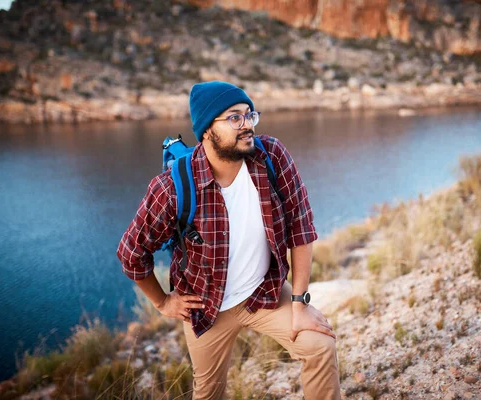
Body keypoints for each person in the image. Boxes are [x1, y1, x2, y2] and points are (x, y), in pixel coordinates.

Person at [117, 81, 340, 399]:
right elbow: (131, 253)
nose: (246, 125)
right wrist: (163, 301)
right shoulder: (171, 187)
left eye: (250, 115)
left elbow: (300, 228)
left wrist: (300, 301)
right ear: (207, 129)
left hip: (263, 292)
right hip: (206, 309)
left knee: (320, 346)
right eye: (234, 118)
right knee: (208, 394)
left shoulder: (271, 157)